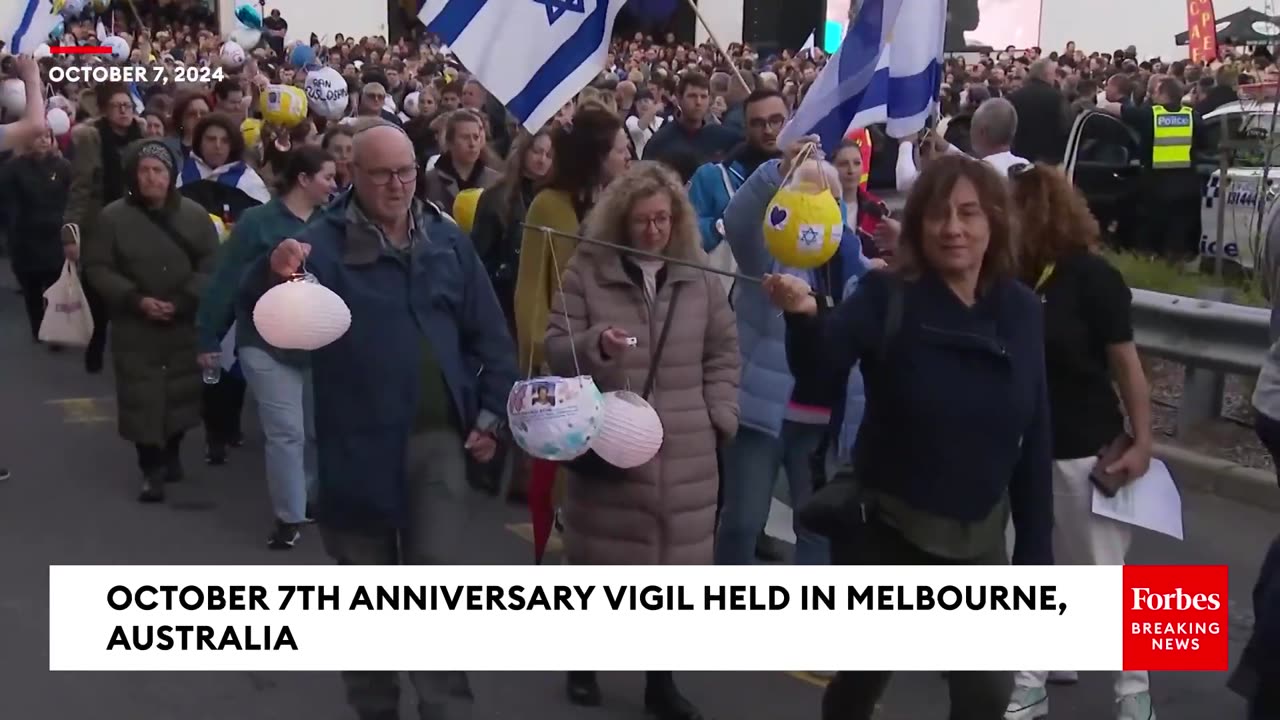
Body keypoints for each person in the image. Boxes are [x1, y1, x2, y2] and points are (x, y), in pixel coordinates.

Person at [764, 153, 1053, 719]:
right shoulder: (886, 297)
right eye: (939, 215)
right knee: (866, 672)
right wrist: (803, 318)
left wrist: (1037, 549)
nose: (953, 228)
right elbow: (822, 376)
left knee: (986, 694)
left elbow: (1035, 429)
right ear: (918, 225)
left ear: (993, 220)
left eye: (969, 213)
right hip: (888, 531)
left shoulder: (1019, 310)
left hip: (979, 537)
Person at [245, 121, 516, 719]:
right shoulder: (320, 245)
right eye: (382, 174)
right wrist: (273, 271)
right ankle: (376, 708)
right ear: (353, 176)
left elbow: (490, 334)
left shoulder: (446, 239)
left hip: (437, 441)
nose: (398, 185)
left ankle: (445, 708)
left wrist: (492, 412)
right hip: (355, 446)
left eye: (407, 172)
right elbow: (261, 313)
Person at [545, 161, 740, 719]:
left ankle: (661, 681)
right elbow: (558, 346)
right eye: (642, 220)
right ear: (621, 220)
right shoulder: (588, 271)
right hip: (612, 438)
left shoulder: (698, 275)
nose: (653, 230)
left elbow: (723, 350)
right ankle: (585, 661)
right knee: (601, 564)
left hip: (687, 448)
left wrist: (720, 411)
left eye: (662, 219)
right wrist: (597, 345)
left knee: (671, 575)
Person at [1004, 164, 1155, 720]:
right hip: (1023, 450)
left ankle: (1134, 688)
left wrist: (1142, 440)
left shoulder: (1094, 281)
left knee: (1103, 577)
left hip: (1085, 447)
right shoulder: (1008, 279)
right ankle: (1031, 679)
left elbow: (1127, 366)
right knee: (1033, 570)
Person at [198, 145, 336, 548]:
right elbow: (225, 280)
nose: (335, 184)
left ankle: (308, 498)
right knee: (286, 431)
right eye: (328, 176)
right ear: (304, 180)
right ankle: (289, 516)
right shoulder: (258, 223)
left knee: (314, 431)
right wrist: (208, 334)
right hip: (265, 342)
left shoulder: (335, 224)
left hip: (319, 344)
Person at [82, 139, 218, 503]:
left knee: (180, 393)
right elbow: (97, 266)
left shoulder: (194, 215)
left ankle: (171, 452)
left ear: (171, 175)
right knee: (141, 396)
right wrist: (134, 298)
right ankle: (151, 469)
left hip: (182, 320)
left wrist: (183, 300)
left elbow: (210, 264)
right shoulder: (112, 218)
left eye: (158, 170)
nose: (151, 177)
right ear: (133, 175)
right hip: (134, 322)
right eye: (144, 171)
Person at [513, 107, 630, 377]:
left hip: (611, 350)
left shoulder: (619, 205)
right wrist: (540, 352)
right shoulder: (548, 206)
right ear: (597, 157)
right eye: (620, 150)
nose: (628, 157)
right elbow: (531, 291)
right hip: (562, 358)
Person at [64, 82, 146, 375]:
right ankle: (96, 342)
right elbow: (80, 188)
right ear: (104, 110)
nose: (125, 111)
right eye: (117, 106)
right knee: (99, 288)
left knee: (135, 285)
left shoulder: (143, 133)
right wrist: (71, 233)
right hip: (101, 222)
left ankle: (131, 350)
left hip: (138, 220)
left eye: (128, 106)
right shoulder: (91, 138)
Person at [1097, 76, 1212, 259]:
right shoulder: (1192, 117)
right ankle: (1175, 269)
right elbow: (1205, 146)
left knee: (1152, 233)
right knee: (1179, 236)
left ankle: (1154, 267)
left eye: (1155, 91)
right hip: (1186, 187)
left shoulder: (1151, 114)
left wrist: (1098, 106)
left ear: (1162, 93)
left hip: (1157, 185)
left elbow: (1115, 108)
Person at [687, 88, 787, 294]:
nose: (768, 130)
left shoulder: (810, 176)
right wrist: (720, 227)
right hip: (729, 301)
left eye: (776, 121)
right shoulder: (712, 176)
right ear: (746, 126)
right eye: (758, 123)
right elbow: (687, 237)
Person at [470, 128, 554, 330]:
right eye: (537, 151)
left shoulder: (554, 198)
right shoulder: (496, 196)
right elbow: (480, 255)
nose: (542, 159)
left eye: (549, 155)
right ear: (523, 151)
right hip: (505, 298)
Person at [0, 129, 71, 343]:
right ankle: (38, 327)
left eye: (47, 136)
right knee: (32, 290)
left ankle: (55, 330)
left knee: (54, 285)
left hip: (53, 236)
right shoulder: (12, 169)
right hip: (25, 238)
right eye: (38, 136)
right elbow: (7, 205)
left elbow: (72, 197)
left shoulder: (63, 166)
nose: (43, 140)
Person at [642, 71, 741, 182]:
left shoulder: (723, 136)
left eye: (703, 96)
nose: (698, 102)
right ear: (679, 98)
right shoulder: (660, 142)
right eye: (692, 96)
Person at [420, 109, 500, 213]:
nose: (472, 144)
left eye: (476, 137)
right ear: (450, 142)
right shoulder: (430, 181)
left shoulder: (495, 181)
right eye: (465, 137)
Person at [1008, 59, 1070, 165]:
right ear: (1047, 75)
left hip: (1019, 155)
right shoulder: (1057, 98)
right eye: (1054, 73)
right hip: (1049, 158)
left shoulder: (1014, 96)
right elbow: (1065, 127)